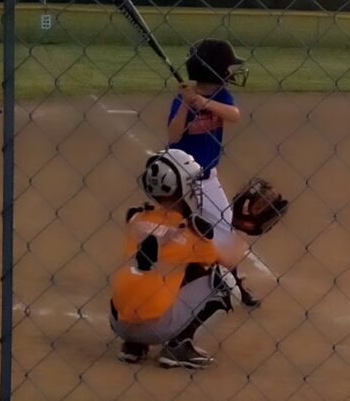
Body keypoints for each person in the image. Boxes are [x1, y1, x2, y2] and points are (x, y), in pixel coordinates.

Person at [109, 148, 246, 369]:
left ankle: (133, 346)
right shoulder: (192, 230)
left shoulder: (135, 217)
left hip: (119, 322)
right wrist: (238, 226)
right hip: (157, 327)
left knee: (157, 272)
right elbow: (228, 260)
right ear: (183, 187)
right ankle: (179, 346)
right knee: (224, 282)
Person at [166, 38, 260, 306]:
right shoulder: (181, 99)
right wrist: (186, 104)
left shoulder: (221, 96)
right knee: (176, 235)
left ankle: (233, 284)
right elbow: (173, 137)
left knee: (225, 231)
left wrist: (204, 103)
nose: (232, 73)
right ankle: (177, 284)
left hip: (207, 178)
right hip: (180, 183)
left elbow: (234, 115)